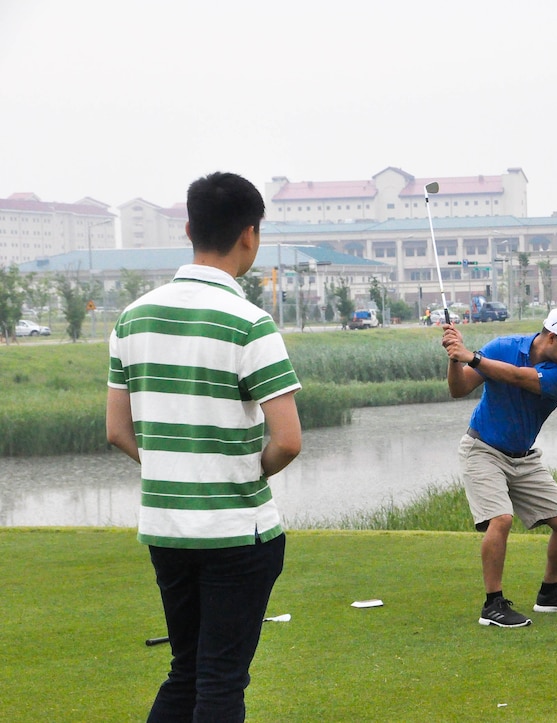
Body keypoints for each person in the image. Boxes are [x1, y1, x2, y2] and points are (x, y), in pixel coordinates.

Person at [106, 171, 302, 722]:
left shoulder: (131, 318)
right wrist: (238, 471)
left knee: (186, 671)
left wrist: (176, 466)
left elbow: (117, 431)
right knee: (220, 683)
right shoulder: (250, 323)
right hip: (237, 531)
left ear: (189, 228)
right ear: (250, 235)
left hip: (166, 527)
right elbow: (287, 441)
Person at [442, 306, 557, 627]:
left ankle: (550, 594)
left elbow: (516, 377)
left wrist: (472, 357)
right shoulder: (503, 347)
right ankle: (493, 605)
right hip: (481, 449)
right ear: (552, 337)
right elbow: (458, 389)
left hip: (524, 457)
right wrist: (455, 358)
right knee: (500, 519)